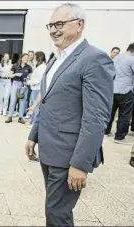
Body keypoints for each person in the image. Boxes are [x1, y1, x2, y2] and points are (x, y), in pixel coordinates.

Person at [25, 3, 114, 227]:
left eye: (60, 24)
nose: (54, 30)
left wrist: (80, 164)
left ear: (80, 24)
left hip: (69, 155)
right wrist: (33, 135)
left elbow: (96, 118)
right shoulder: (56, 59)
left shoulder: (94, 59)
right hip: (49, 150)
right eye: (51, 25)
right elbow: (46, 102)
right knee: (57, 210)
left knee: (56, 213)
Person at [105, 43, 134, 144]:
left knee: (110, 112)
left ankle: (106, 131)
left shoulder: (117, 58)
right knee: (124, 114)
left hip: (113, 89)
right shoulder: (132, 59)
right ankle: (119, 137)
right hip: (126, 90)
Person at [5, 53, 33, 124]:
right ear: (21, 58)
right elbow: (9, 75)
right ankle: (10, 116)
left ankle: (20, 117)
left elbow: (30, 77)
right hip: (15, 83)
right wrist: (16, 74)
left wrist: (27, 81)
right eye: (25, 57)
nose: (26, 59)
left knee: (23, 101)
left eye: (27, 58)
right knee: (13, 100)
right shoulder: (15, 66)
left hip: (24, 85)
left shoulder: (29, 67)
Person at [26, 51, 46, 128]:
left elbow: (38, 80)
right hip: (34, 88)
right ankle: (31, 121)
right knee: (32, 106)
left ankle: (34, 124)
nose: (33, 57)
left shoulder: (42, 67)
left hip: (37, 89)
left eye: (34, 56)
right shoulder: (39, 66)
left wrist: (29, 82)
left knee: (36, 107)